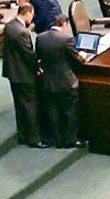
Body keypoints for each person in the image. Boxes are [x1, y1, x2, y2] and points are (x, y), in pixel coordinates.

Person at [36, 14, 86, 149]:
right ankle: (71, 140)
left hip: (48, 82)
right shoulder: (66, 39)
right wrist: (82, 56)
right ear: (64, 24)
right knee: (70, 112)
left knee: (54, 112)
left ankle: (58, 139)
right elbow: (76, 59)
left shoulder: (40, 38)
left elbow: (39, 57)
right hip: (66, 82)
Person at [3, 3, 46, 148]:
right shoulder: (22, 33)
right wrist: (39, 65)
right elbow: (29, 56)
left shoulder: (9, 26)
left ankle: (22, 134)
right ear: (27, 13)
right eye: (32, 15)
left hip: (12, 72)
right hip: (23, 74)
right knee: (30, 106)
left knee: (19, 105)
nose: (32, 18)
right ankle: (34, 139)